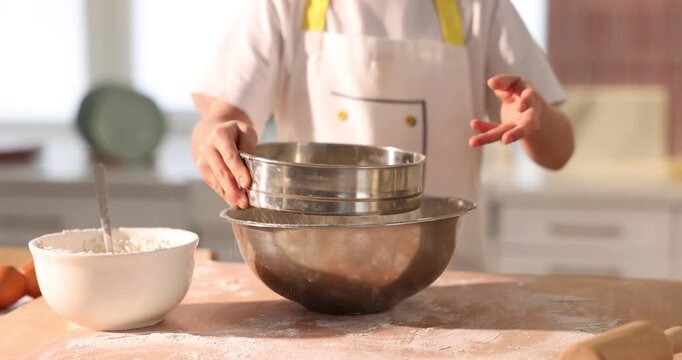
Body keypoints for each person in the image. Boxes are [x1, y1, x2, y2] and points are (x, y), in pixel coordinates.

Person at [191, 0, 575, 270]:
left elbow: (559, 152)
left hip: (450, 279)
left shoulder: (480, 8)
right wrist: (214, 137)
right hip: (313, 273)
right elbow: (221, 119)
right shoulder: (285, 6)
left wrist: (532, 115)